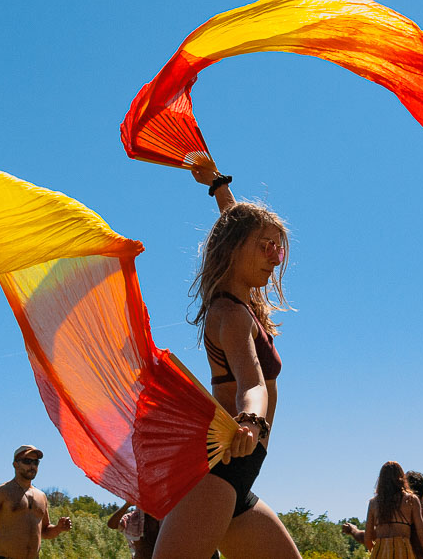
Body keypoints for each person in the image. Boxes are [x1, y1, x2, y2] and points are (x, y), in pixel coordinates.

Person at [152, 167, 300, 559]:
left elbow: (235, 224)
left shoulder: (244, 303)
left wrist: (220, 189)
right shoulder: (231, 314)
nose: (274, 257)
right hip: (217, 470)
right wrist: (252, 419)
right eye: (265, 246)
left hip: (238, 475)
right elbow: (251, 383)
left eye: (278, 249)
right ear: (235, 248)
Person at [0, 445, 72, 559]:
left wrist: (58, 528)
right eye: (27, 461)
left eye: (36, 462)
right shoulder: (2, 492)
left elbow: (45, 531)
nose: (32, 466)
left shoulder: (41, 496)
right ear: (15, 464)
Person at [362, 461, 423, 558]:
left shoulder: (374, 503)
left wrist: (377, 551)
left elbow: (367, 538)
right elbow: (422, 534)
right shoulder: (411, 500)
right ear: (401, 477)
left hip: (380, 550)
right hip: (403, 551)